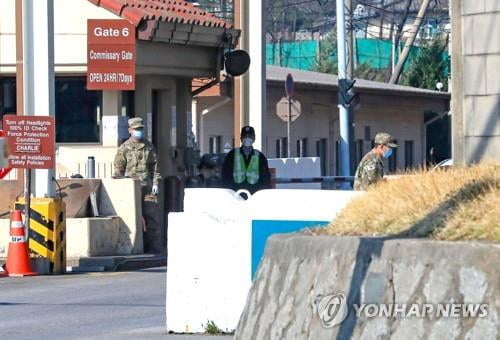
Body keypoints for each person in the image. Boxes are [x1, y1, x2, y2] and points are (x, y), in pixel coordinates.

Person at [113, 117, 162, 253]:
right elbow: (118, 169)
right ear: (130, 130)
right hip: (131, 189)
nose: (138, 131)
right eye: (136, 129)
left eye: (140, 129)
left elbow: (155, 168)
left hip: (147, 187)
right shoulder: (124, 148)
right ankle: (134, 248)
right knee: (132, 218)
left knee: (152, 217)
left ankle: (154, 249)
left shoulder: (149, 147)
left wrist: (156, 183)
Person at [222, 125, 271, 195]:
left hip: (254, 196)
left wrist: (261, 194)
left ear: (254, 139)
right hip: (236, 196)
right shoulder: (232, 155)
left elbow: (266, 179)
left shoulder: (260, 156)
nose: (247, 138)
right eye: (245, 136)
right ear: (241, 138)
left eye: (250, 136)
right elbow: (225, 177)